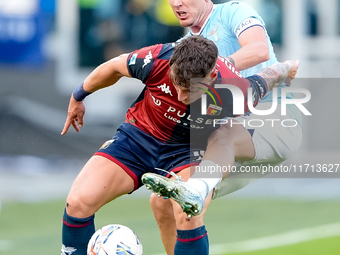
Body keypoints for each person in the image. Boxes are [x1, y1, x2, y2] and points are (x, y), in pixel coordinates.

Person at [60, 36, 297, 255]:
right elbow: (114, 66)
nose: (182, 96)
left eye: (191, 89)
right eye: (177, 85)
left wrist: (286, 68)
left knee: (188, 213)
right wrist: (79, 96)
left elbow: (268, 77)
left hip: (187, 151)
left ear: (212, 77)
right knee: (78, 201)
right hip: (137, 137)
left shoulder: (236, 90)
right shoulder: (157, 59)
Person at [148, 1, 286, 254]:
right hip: (231, 135)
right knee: (163, 202)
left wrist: (211, 68)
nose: (176, 3)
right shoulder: (185, 47)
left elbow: (259, 50)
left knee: (216, 148)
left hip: (274, 120)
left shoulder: (234, 12)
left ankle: (197, 190)